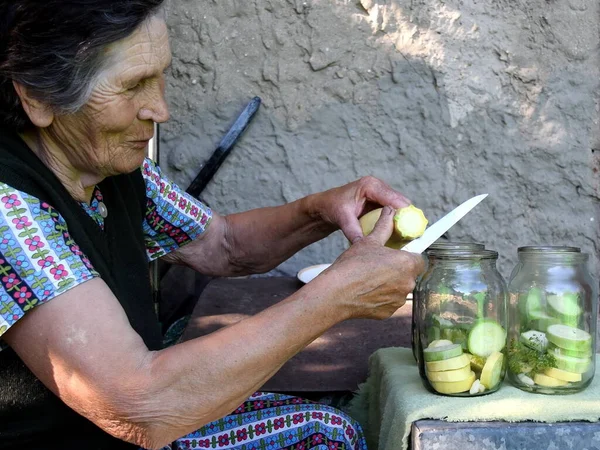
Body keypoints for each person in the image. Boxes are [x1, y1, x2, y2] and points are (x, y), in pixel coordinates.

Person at [0, 1, 424, 449]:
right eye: (133, 86)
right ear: (39, 97)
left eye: (160, 75)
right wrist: (335, 298)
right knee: (324, 436)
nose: (159, 108)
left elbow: (222, 245)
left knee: (327, 424)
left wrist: (320, 210)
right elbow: (139, 406)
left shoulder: (110, 168)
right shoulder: (8, 210)